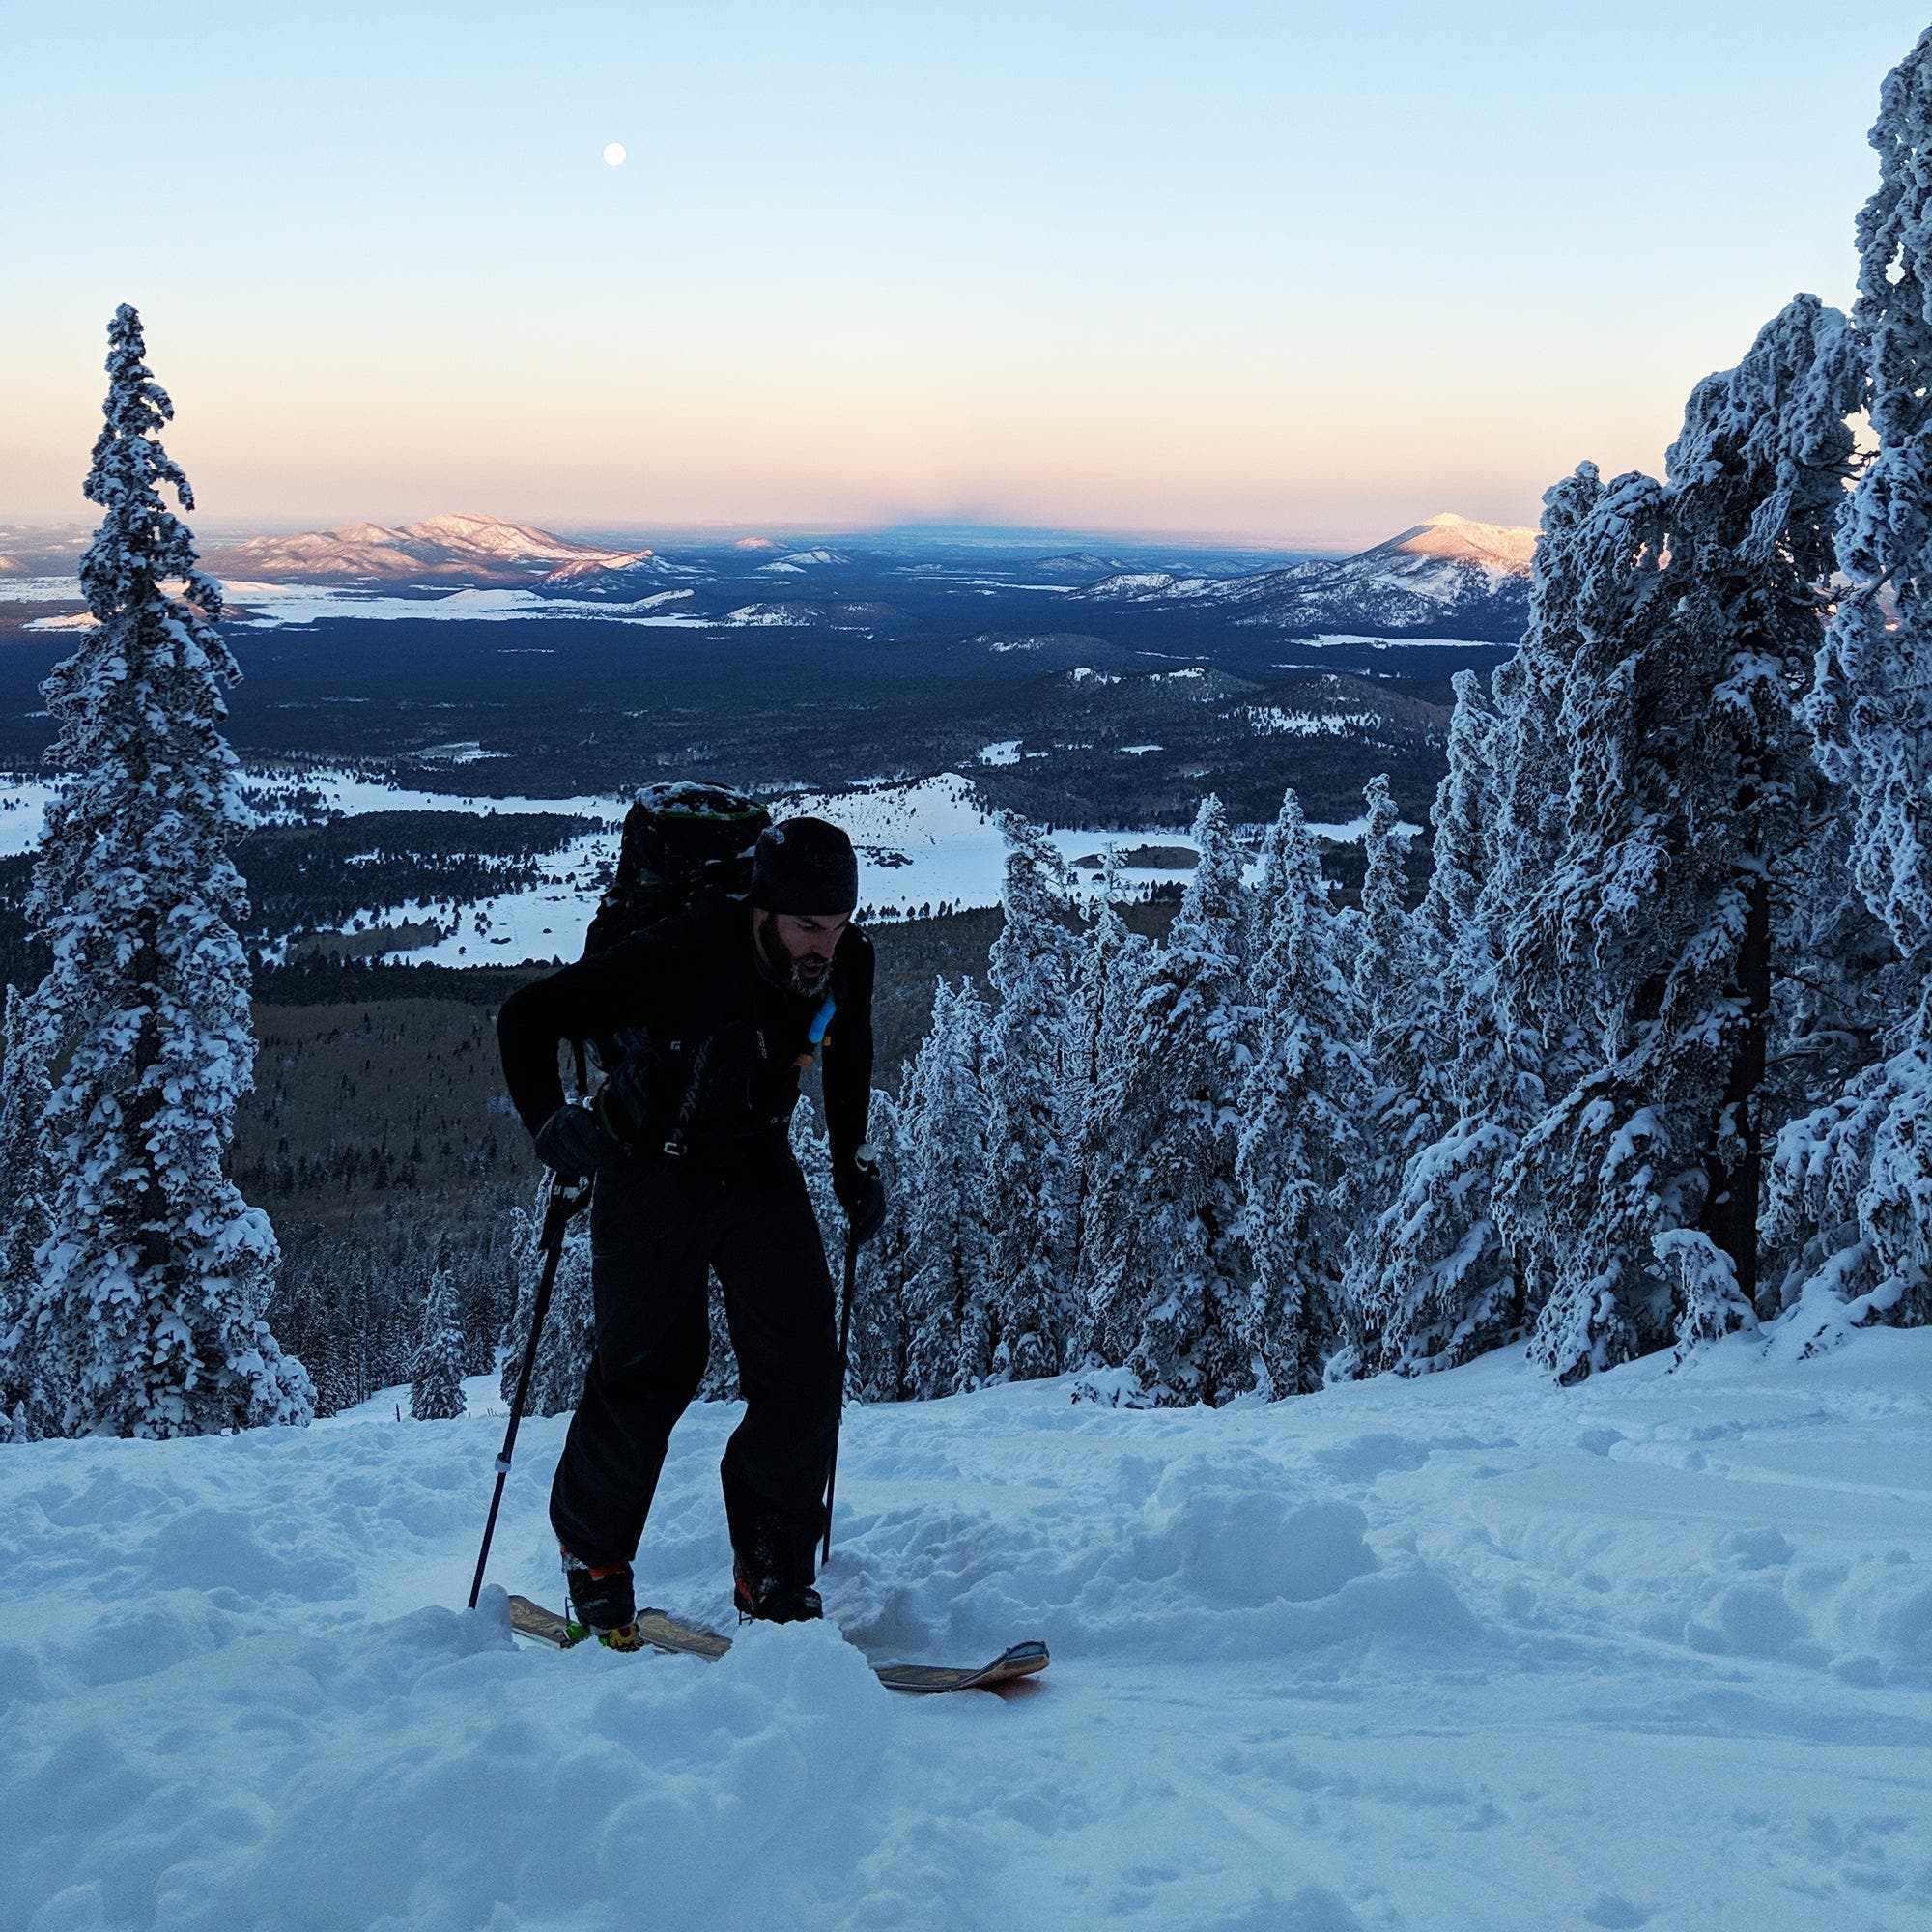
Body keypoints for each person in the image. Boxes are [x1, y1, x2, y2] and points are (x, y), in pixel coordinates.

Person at [496, 815, 885, 1642]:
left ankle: (773, 1570)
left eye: (840, 923)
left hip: (756, 1160)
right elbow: (526, 1017)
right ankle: (593, 1558)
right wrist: (548, 1123)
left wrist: (851, 1163)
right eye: (808, 926)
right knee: (650, 1369)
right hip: (651, 1167)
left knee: (805, 1368)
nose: (826, 944)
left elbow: (848, 1052)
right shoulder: (683, 951)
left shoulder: (845, 959)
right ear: (761, 908)